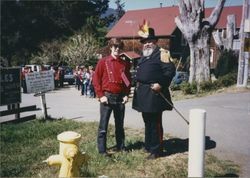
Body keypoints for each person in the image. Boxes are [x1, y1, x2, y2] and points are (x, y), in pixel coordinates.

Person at [132, 23, 176, 159]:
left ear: (155, 42)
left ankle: (157, 150)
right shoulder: (144, 56)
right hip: (143, 93)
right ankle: (149, 145)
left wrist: (161, 84)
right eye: (145, 42)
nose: (147, 44)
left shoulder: (162, 54)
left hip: (155, 92)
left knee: (155, 122)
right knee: (147, 121)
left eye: (150, 41)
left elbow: (170, 71)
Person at [93, 38, 131, 156]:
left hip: (120, 98)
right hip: (107, 97)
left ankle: (121, 146)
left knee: (120, 125)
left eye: (119, 47)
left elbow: (127, 80)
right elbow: (96, 79)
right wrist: (100, 95)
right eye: (115, 47)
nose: (117, 49)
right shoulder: (103, 62)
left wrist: (126, 94)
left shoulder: (124, 63)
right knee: (103, 126)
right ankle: (102, 150)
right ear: (110, 47)